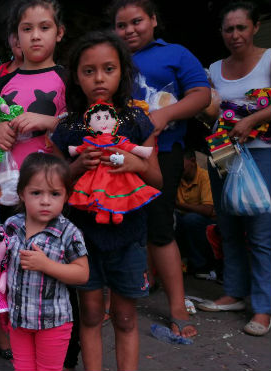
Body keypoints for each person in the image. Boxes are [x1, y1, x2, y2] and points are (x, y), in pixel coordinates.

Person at [52, 30, 162, 370]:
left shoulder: (136, 121)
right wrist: (73, 168)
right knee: (91, 316)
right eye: (89, 71)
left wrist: (137, 163)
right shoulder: (69, 127)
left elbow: (157, 180)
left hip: (128, 235)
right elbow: (54, 185)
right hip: (82, 238)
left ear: (122, 73)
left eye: (109, 69)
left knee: (127, 318)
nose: (99, 78)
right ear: (76, 77)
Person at [110, 0, 211, 338]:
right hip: (117, 154)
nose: (129, 30)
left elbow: (201, 94)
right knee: (116, 220)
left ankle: (178, 307)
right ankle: (121, 294)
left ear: (153, 20)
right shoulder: (112, 56)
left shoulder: (176, 54)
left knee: (159, 227)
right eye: (121, 25)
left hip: (164, 151)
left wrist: (165, 115)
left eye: (136, 21)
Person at [0, 153, 89, 371]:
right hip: (18, 320)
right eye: (36, 193)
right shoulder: (12, 225)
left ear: (66, 196)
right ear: (21, 194)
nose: (45, 201)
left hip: (53, 322)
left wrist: (47, 266)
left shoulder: (68, 232)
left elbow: (82, 274)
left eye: (55, 194)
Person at [197, 1, 271, 337]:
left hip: (261, 151)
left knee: (259, 232)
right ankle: (234, 293)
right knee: (227, 225)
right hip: (224, 151)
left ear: (255, 27)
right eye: (229, 29)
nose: (235, 35)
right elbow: (209, 112)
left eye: (242, 27)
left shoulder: (269, 59)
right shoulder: (213, 68)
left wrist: (253, 119)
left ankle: (263, 307)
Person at [0, 0, 66, 170]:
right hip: (6, 186)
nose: (35, 36)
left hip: (50, 185)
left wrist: (49, 122)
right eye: (27, 29)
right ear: (16, 38)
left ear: (59, 32)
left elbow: (85, 129)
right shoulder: (0, 84)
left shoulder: (69, 80)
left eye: (44, 27)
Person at [175, 150, 216, 277]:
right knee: (171, 219)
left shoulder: (205, 176)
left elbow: (208, 210)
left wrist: (179, 205)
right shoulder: (177, 177)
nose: (177, 167)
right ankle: (180, 262)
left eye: (181, 163)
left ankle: (202, 265)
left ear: (192, 161)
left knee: (191, 220)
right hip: (183, 218)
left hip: (205, 222)